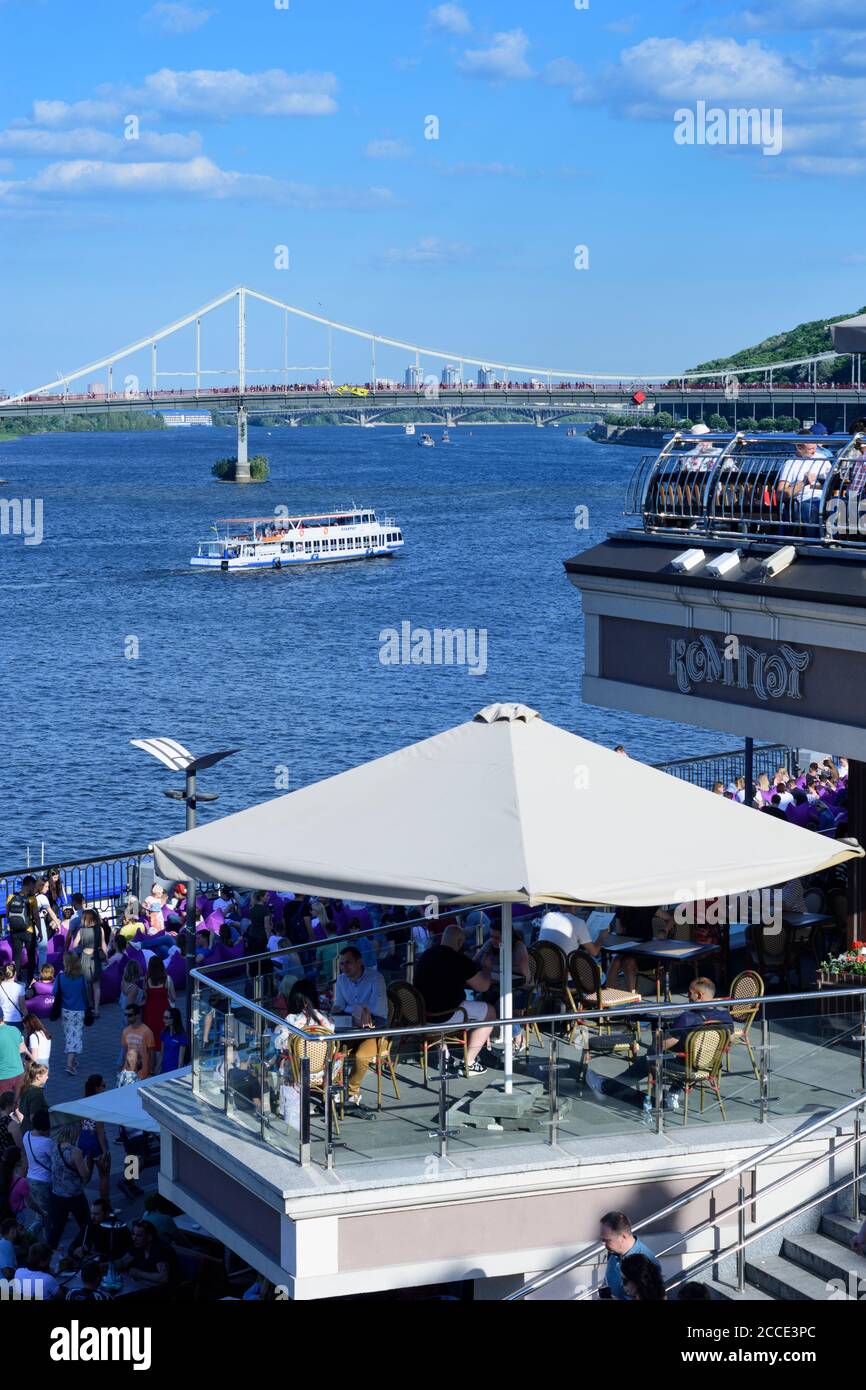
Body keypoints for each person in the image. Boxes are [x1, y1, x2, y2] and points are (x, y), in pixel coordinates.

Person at [586, 978, 733, 1110]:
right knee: (675, 1055)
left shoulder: (688, 1018)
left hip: (687, 1069)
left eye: (690, 993)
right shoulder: (725, 1017)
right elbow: (729, 1040)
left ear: (699, 996)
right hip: (710, 1067)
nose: (687, 997)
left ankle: (606, 1088)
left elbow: (661, 1045)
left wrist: (657, 1040)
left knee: (649, 1060)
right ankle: (673, 1094)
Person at [413, 924, 495, 1076]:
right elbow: (483, 986)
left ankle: (444, 1057)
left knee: (437, 1002)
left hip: (422, 1016)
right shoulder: (458, 959)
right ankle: (469, 1063)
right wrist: (487, 969)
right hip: (447, 1015)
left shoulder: (426, 955)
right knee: (490, 1012)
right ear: (460, 942)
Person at [333, 945, 388, 1107]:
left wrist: (351, 1009)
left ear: (359, 962)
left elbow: (377, 1010)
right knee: (333, 1051)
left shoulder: (376, 978)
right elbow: (338, 1006)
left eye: (348, 963)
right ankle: (335, 1087)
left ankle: (351, 1091)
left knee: (361, 1056)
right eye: (341, 964)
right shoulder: (341, 980)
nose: (344, 967)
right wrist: (359, 1009)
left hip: (375, 1030)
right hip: (350, 1030)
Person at [46, 1120, 92, 1252]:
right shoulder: (75, 1152)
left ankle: (48, 1252)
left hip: (57, 1194)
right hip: (74, 1195)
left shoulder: (55, 1147)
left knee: (57, 1228)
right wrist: (87, 1163)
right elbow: (84, 1175)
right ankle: (78, 1248)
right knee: (86, 1225)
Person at [599, 1211, 661, 1301]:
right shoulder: (613, 1252)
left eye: (607, 1240)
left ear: (623, 1237)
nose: (603, 1244)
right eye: (602, 1239)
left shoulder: (645, 1261)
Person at [68, 908, 107, 1018]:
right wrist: (106, 957)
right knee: (97, 985)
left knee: (86, 984)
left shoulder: (81, 931)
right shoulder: (100, 929)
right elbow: (103, 944)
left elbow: (74, 945)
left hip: (84, 957)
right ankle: (97, 1009)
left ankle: (88, 1006)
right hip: (96, 957)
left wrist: (81, 947)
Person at [54, 951, 89, 1076]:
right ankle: (69, 1064)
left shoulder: (60, 977)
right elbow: (86, 994)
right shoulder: (81, 978)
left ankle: (72, 1061)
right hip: (79, 1010)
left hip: (65, 1010)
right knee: (75, 1036)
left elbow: (54, 992)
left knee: (69, 1034)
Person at [117, 1218, 176, 1289]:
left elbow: (163, 1277)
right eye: (133, 1234)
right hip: (144, 1284)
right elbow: (123, 1262)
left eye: (139, 1235)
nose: (134, 1238)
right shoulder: (138, 1245)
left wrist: (139, 1273)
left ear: (149, 1237)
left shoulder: (160, 1249)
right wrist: (104, 1266)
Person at [78, 1075, 111, 1201]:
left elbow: (81, 1123)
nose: (105, 1088)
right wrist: (105, 1151)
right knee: (104, 1175)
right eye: (103, 1086)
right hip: (95, 1141)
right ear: (97, 1088)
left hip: (84, 1139)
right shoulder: (99, 1105)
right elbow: (100, 1130)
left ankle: (73, 1195)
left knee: (86, 1175)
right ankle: (106, 1206)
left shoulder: (83, 1101)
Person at [21, 1107, 52, 1238]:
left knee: (40, 1212)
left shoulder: (26, 1136)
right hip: (44, 1181)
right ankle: (30, 1238)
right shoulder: (47, 1142)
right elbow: (55, 1160)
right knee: (44, 1215)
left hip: (30, 1178)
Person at [5, 876, 40, 987]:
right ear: (29, 885)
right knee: (31, 955)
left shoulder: (11, 896)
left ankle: (17, 978)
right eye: (33, 885)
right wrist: (41, 931)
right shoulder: (32, 899)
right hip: (28, 930)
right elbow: (36, 917)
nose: (34, 887)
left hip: (14, 931)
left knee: (17, 955)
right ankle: (30, 980)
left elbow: (7, 915)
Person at [117, 1003, 156, 1083]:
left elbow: (152, 1054)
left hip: (142, 1074)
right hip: (128, 1072)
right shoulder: (125, 1031)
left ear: (138, 1015)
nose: (127, 1018)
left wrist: (151, 1072)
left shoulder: (147, 1031)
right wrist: (122, 1068)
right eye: (126, 1015)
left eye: (130, 1015)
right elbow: (125, 1051)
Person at [0, 1091, 24, 1209]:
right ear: (9, 1105)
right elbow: (20, 1145)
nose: (17, 1106)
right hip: (8, 1161)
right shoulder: (12, 1124)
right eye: (15, 1104)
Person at [142, 956, 175, 1039]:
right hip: (164, 1011)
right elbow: (173, 998)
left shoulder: (146, 980)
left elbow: (145, 996)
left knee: (151, 1038)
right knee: (164, 1036)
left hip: (150, 1011)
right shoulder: (167, 979)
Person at [0, 1014, 28, 1099]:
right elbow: (22, 1049)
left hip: (3, 1076)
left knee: (4, 1107)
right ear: (3, 1017)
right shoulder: (15, 1029)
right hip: (19, 1072)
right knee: (18, 1104)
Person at [17, 1062, 49, 1133]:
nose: (47, 1077)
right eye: (46, 1075)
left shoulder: (27, 1087)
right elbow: (33, 1117)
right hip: (33, 1130)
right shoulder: (36, 1094)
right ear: (38, 1077)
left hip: (24, 1126)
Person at [158, 1007, 189, 1073]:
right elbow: (162, 1054)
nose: (164, 1020)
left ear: (174, 1019)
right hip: (163, 1071)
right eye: (163, 1017)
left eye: (166, 1018)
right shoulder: (164, 1033)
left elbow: (181, 1060)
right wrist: (155, 1071)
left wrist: (177, 1075)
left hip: (174, 1072)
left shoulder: (182, 1036)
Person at [0, 964, 27, 1032]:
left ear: (3, 973)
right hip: (17, 1020)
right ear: (15, 973)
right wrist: (27, 1020)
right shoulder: (20, 987)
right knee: (17, 1040)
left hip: (2, 1020)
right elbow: (23, 1007)